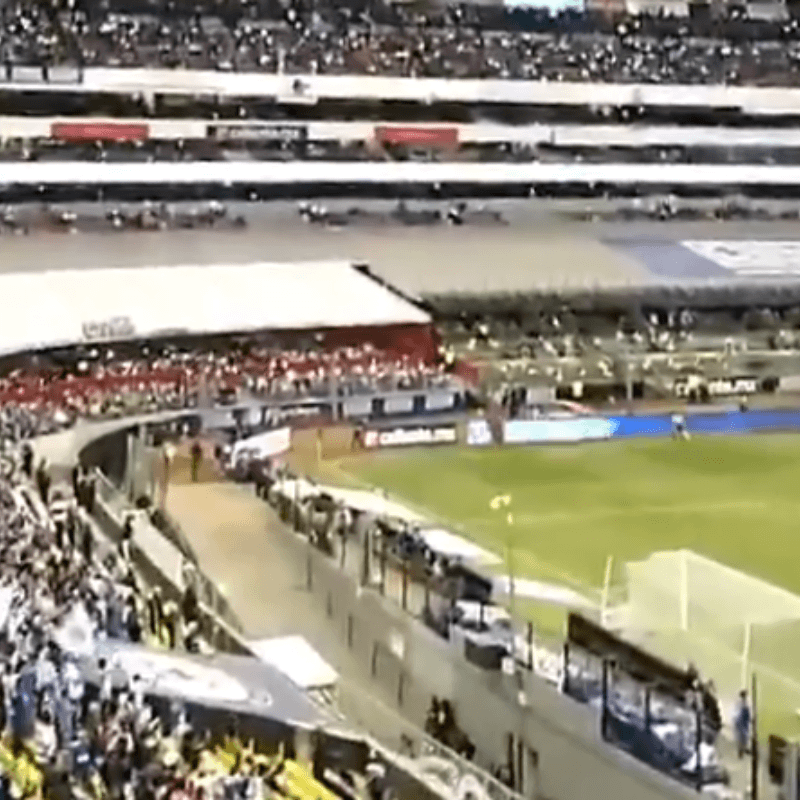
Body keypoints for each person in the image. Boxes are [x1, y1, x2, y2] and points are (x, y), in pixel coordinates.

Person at [734, 690, 751, 759]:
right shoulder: (741, 702)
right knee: (742, 736)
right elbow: (741, 712)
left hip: (744, 720)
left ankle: (744, 749)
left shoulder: (744, 702)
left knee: (744, 736)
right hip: (742, 720)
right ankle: (741, 751)